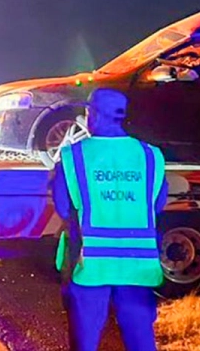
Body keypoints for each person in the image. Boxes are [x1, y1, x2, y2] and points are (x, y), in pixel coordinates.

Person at [51, 88, 168, 351]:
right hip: (139, 267)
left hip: (89, 265)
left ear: (95, 114)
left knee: (85, 340)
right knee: (141, 341)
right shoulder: (151, 156)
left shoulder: (72, 156)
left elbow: (62, 207)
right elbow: (157, 205)